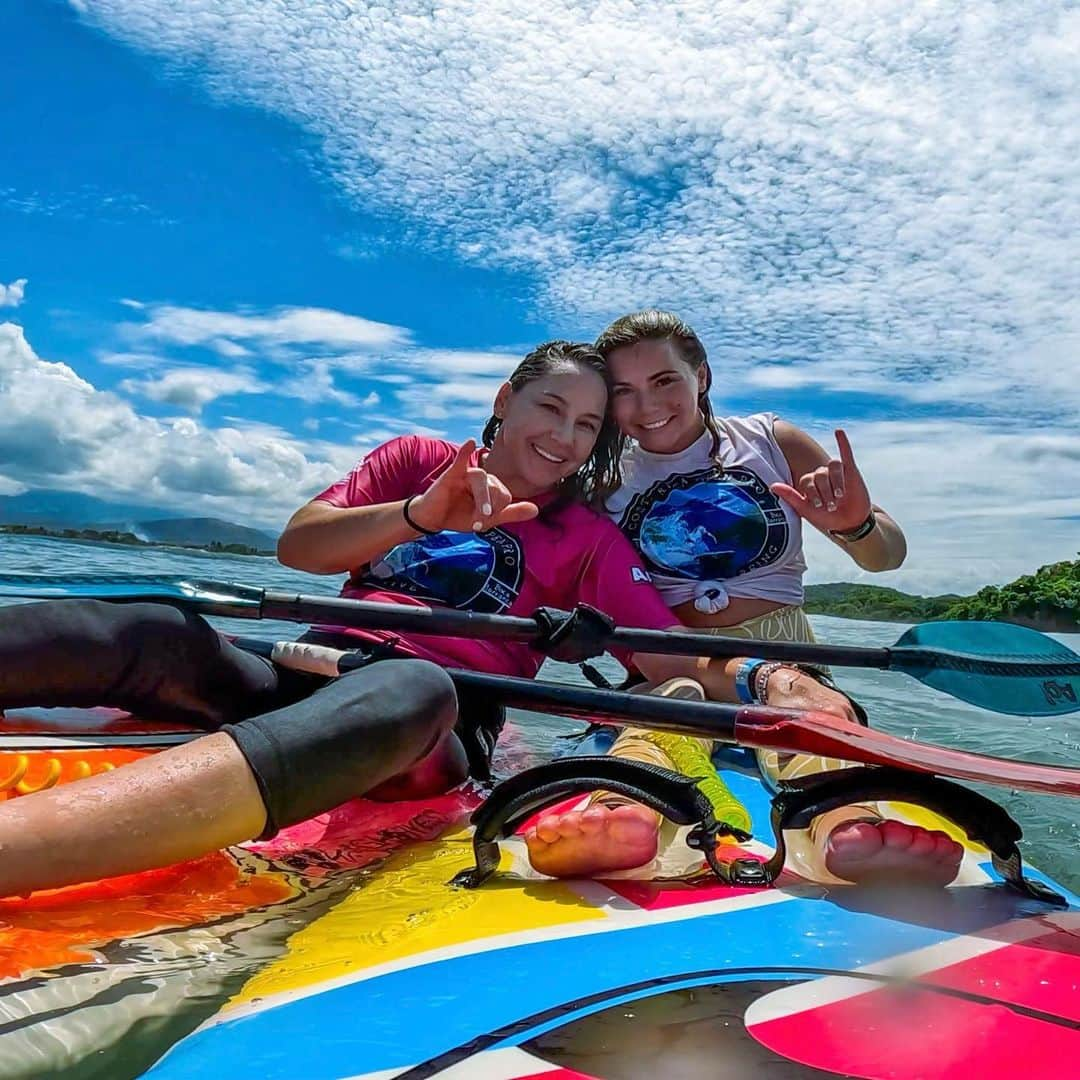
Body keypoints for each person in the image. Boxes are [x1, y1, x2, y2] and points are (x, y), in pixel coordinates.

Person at [0, 341, 858, 899]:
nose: (564, 436)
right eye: (550, 409)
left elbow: (654, 658)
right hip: (302, 670)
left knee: (411, 687)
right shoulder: (416, 460)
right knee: (157, 625)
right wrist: (417, 515)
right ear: (505, 400)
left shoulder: (588, 538)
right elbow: (300, 547)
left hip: (424, 725)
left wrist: (768, 677)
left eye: (588, 425)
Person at [524, 314, 964, 887]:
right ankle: (621, 814)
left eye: (665, 381)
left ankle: (844, 821)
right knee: (666, 716)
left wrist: (855, 526)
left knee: (816, 713)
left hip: (783, 653)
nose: (646, 405)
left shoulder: (771, 442)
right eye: (624, 392)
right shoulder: (601, 484)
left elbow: (886, 557)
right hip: (669, 660)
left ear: (701, 375)